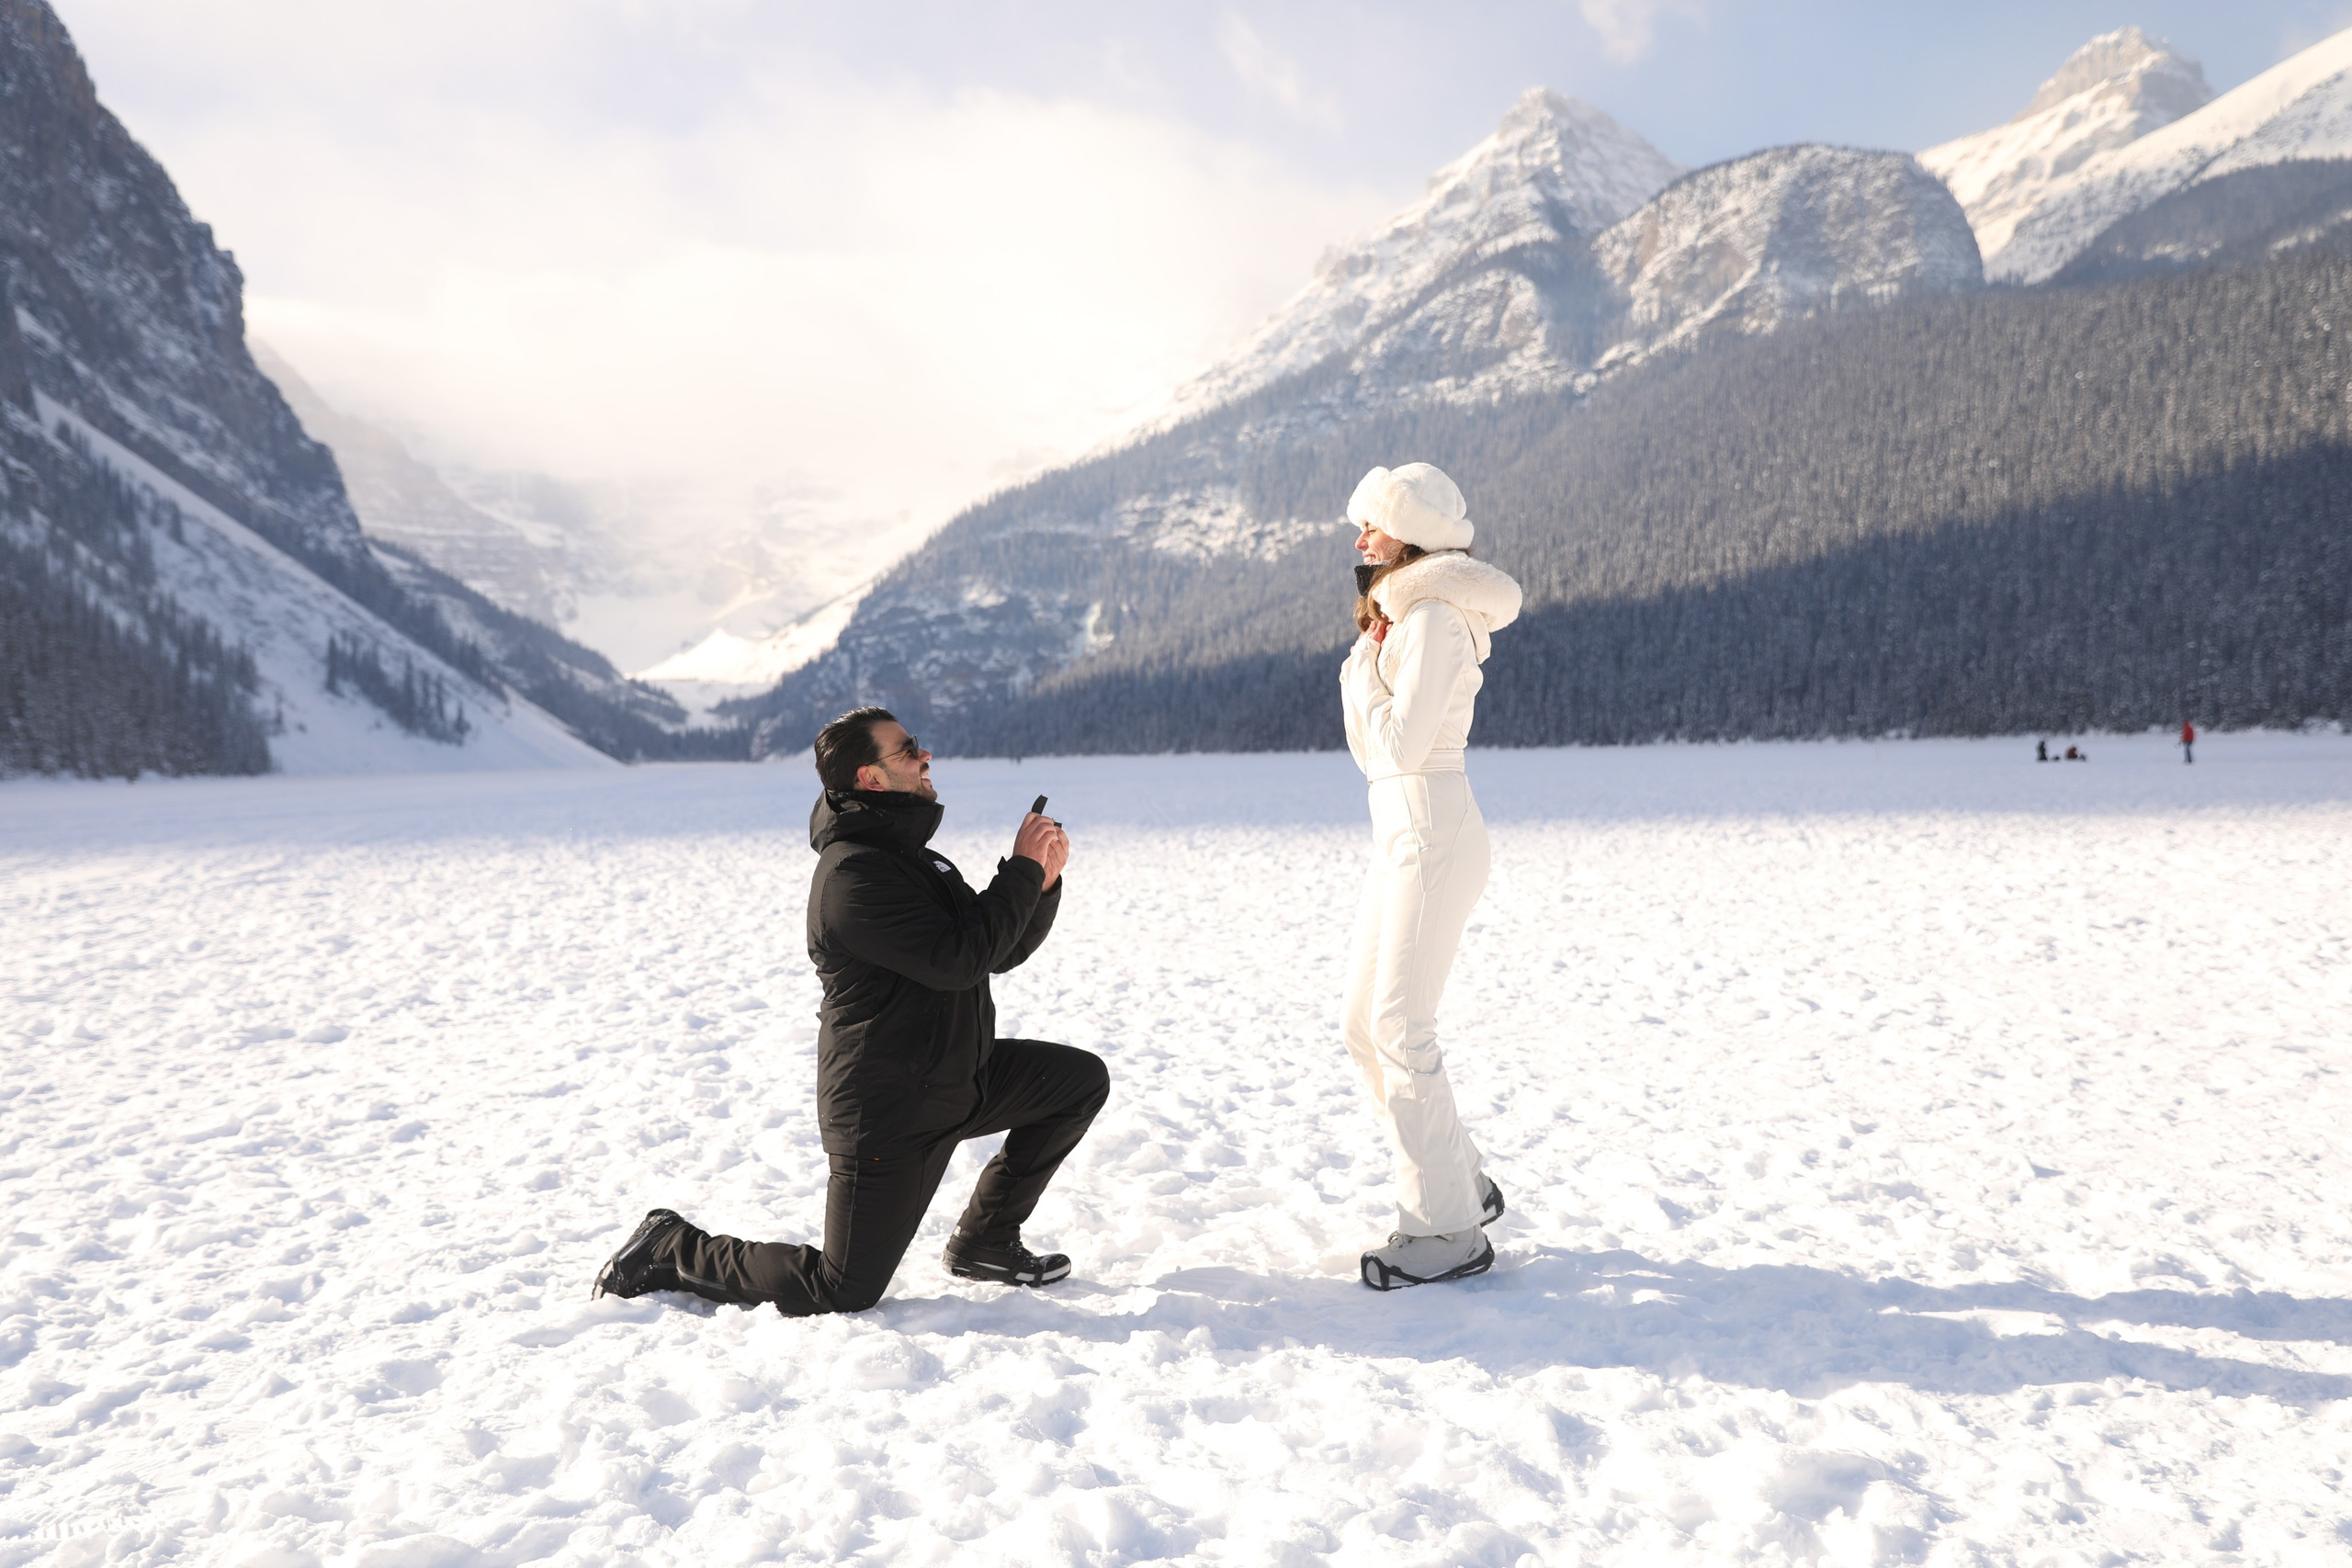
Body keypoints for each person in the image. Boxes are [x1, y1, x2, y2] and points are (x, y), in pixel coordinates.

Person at [592, 707, 1108, 1315]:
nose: (925, 757)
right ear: (870, 777)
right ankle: (673, 1246)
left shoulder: (916, 862)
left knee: (1078, 1082)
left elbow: (998, 948)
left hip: (957, 1079)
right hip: (888, 1111)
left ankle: (985, 1241)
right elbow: (961, 958)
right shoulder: (853, 878)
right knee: (839, 1287)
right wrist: (1020, 869)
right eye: (908, 749)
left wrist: (1041, 885)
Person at [1340, 462, 1524, 1291]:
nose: (1359, 539)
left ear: (1409, 534)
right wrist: (1365, 667)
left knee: (1401, 1027)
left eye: (1373, 525)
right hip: (1401, 830)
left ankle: (1445, 1229)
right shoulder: (1398, 621)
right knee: (1362, 1026)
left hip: (1433, 829)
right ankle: (1464, 1183)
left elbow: (1404, 748)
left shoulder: (1434, 620)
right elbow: (1373, 759)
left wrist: (1358, 678)